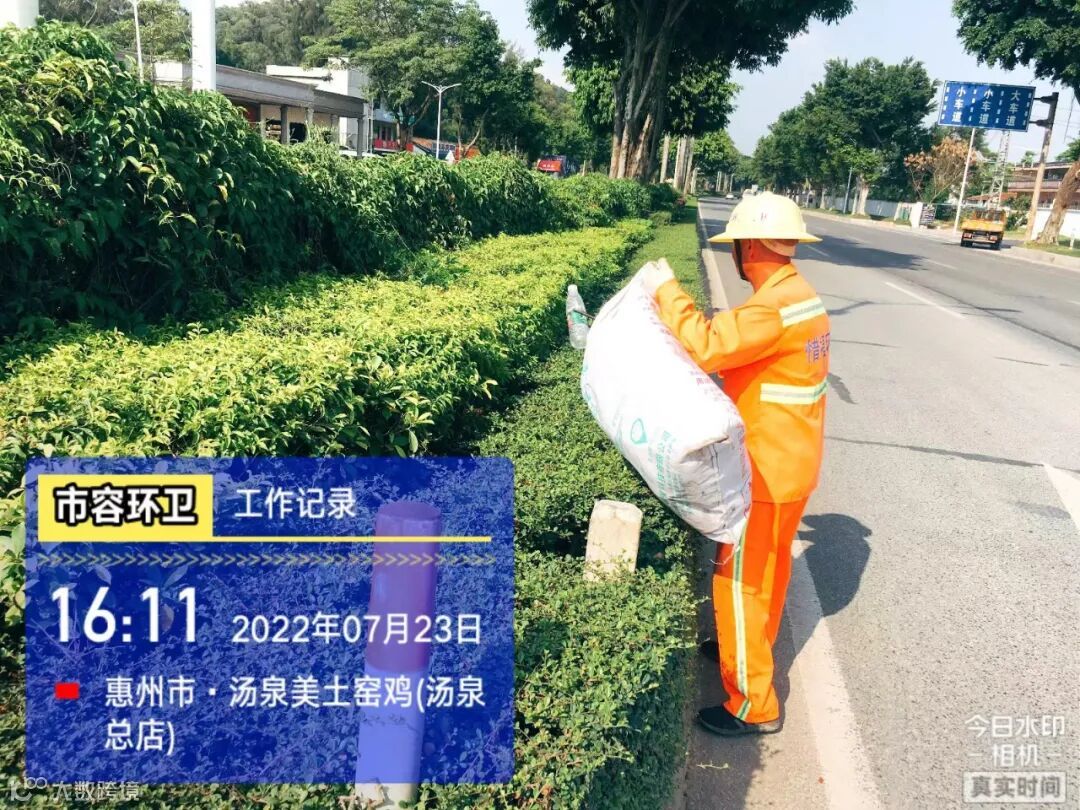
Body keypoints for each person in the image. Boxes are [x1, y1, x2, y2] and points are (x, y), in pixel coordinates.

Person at [640, 192, 830, 737]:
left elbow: (706, 346)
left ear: (749, 248)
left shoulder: (772, 309)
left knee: (738, 582)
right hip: (793, 465)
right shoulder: (802, 297)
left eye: (736, 246)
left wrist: (665, 289)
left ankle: (752, 704)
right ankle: (743, 647)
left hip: (764, 471)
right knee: (769, 574)